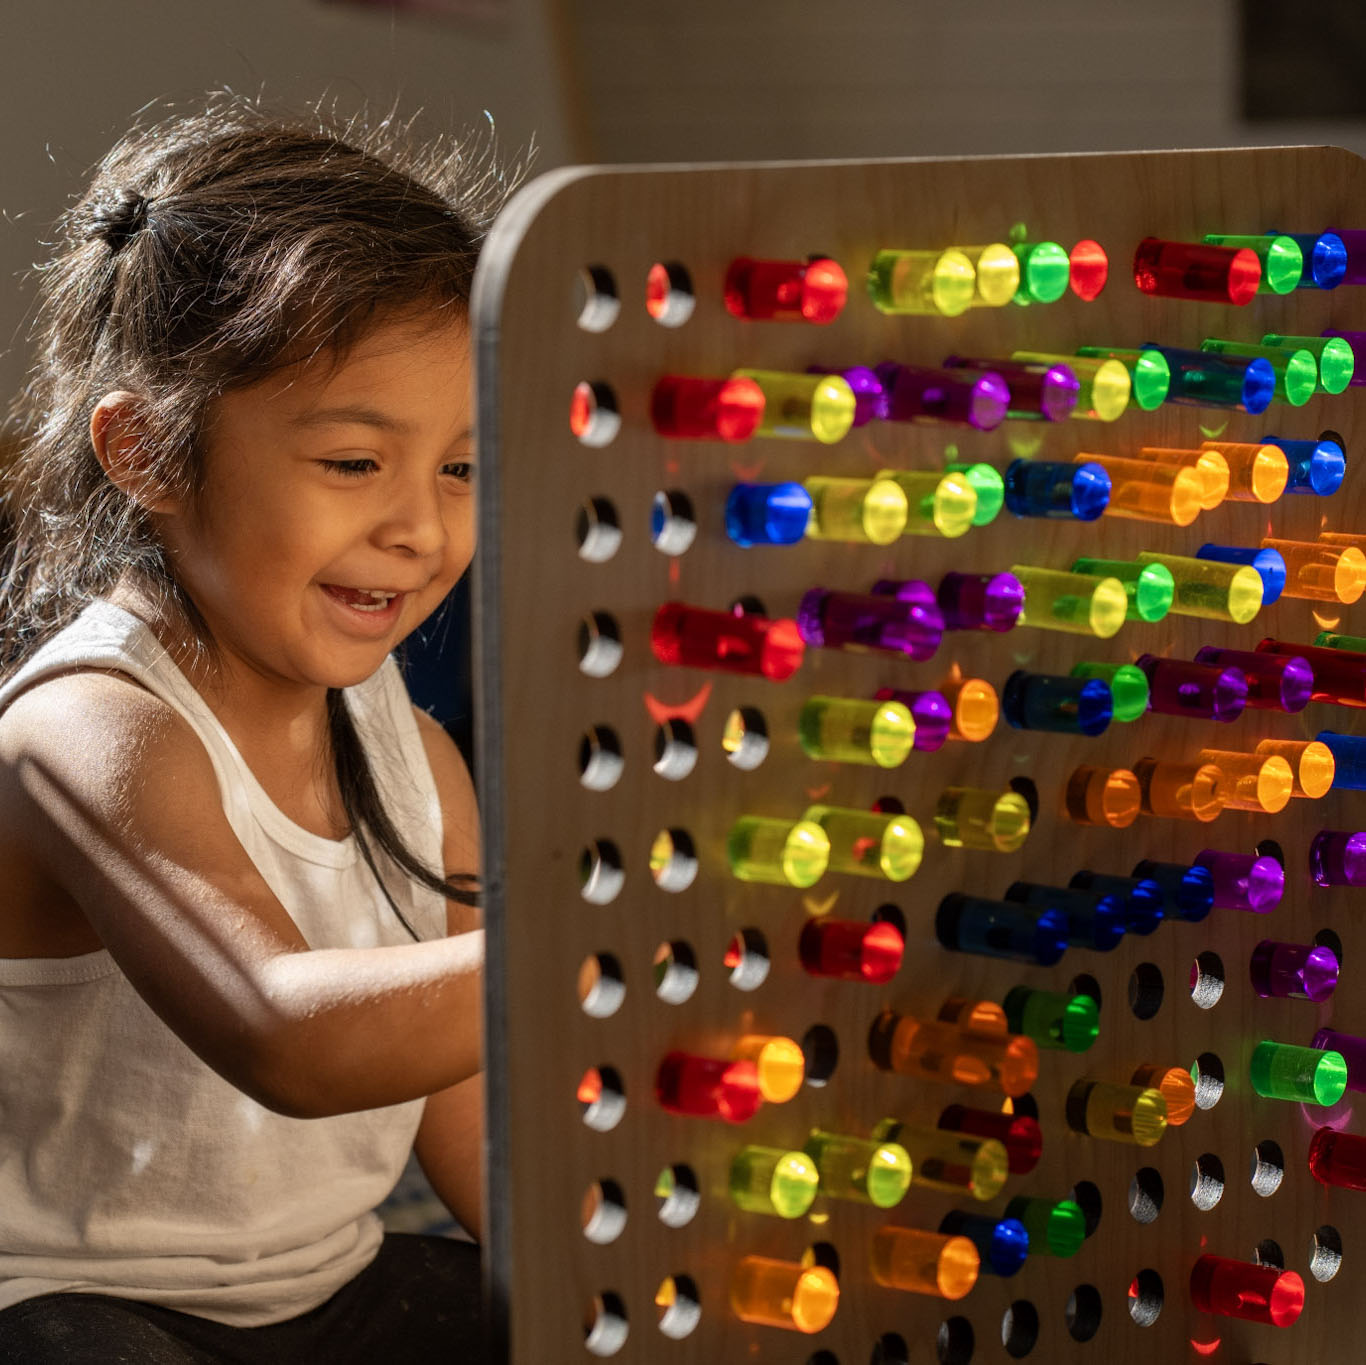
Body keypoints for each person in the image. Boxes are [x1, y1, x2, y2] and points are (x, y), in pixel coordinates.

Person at [0, 94, 503, 1363]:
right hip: (77, 1309)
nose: (421, 529)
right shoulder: (84, 732)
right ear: (147, 453)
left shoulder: (417, 760)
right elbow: (286, 1031)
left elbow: (469, 1112)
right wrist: (610, 939)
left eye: (461, 468)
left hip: (331, 1293)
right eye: (354, 463)